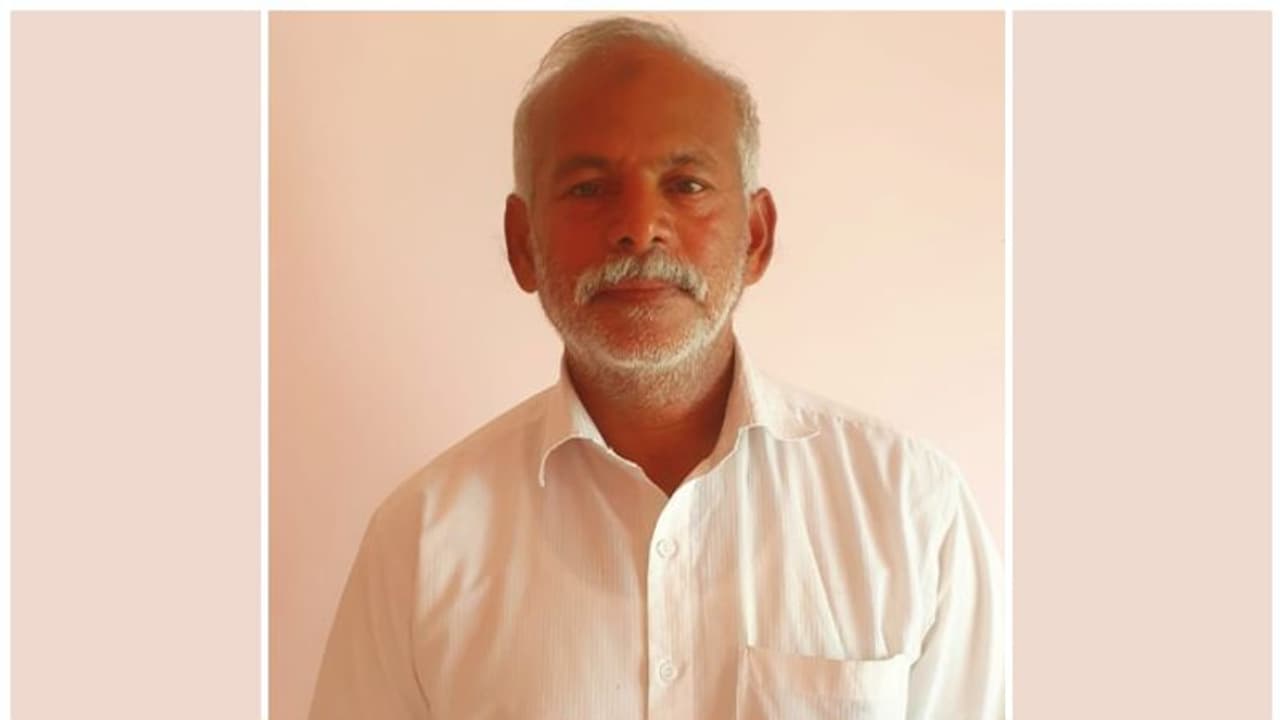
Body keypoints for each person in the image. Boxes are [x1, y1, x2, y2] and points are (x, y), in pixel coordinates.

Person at [309, 16, 1003, 720]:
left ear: (756, 236)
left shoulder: (912, 510)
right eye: (588, 188)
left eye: (686, 183)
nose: (639, 227)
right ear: (523, 245)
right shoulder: (421, 542)